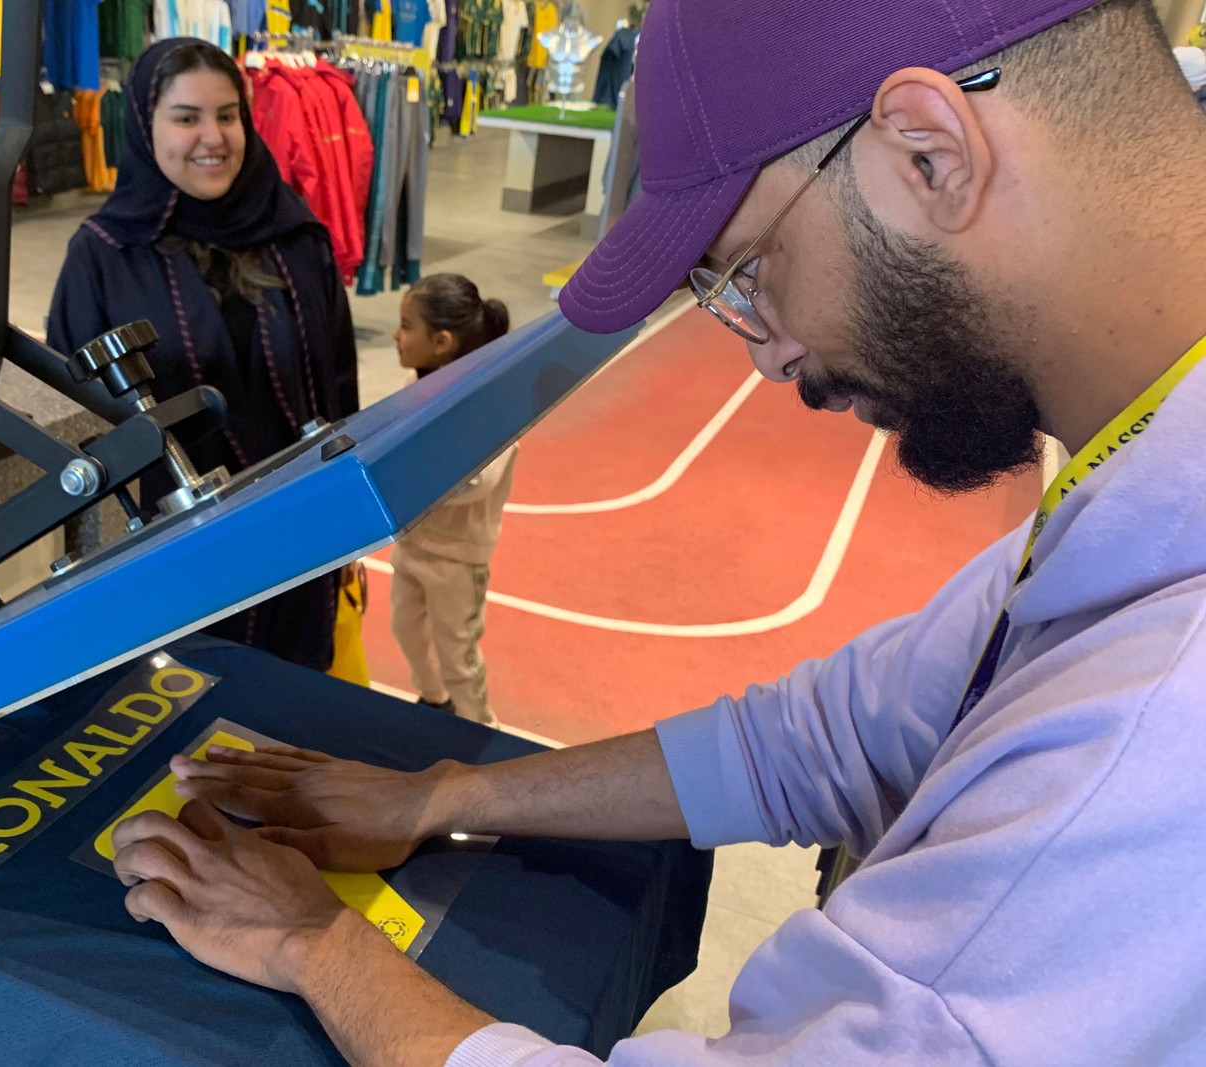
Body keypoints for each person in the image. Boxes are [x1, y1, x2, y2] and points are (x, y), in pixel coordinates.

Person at [106, 0, 1206, 1063]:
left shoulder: (1157, 727)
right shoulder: (1140, 467)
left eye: (745, 274)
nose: (767, 354)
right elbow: (838, 732)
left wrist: (316, 941)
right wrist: (442, 793)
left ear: (928, 152)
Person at [48, 38, 359, 675]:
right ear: (144, 124)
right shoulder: (105, 255)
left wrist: (346, 514)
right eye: (185, 117)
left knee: (291, 719)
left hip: (296, 543)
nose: (212, 137)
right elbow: (72, 436)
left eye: (227, 115)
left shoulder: (296, 239)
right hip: (171, 564)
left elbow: (340, 388)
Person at [390, 273, 515, 726]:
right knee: (405, 629)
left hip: (456, 559)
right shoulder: (417, 389)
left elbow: (477, 480)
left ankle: (478, 726)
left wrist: (409, 473)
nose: (396, 336)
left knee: (456, 651)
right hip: (414, 545)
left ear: (441, 341)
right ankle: (433, 699)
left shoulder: (487, 403)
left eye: (406, 325)